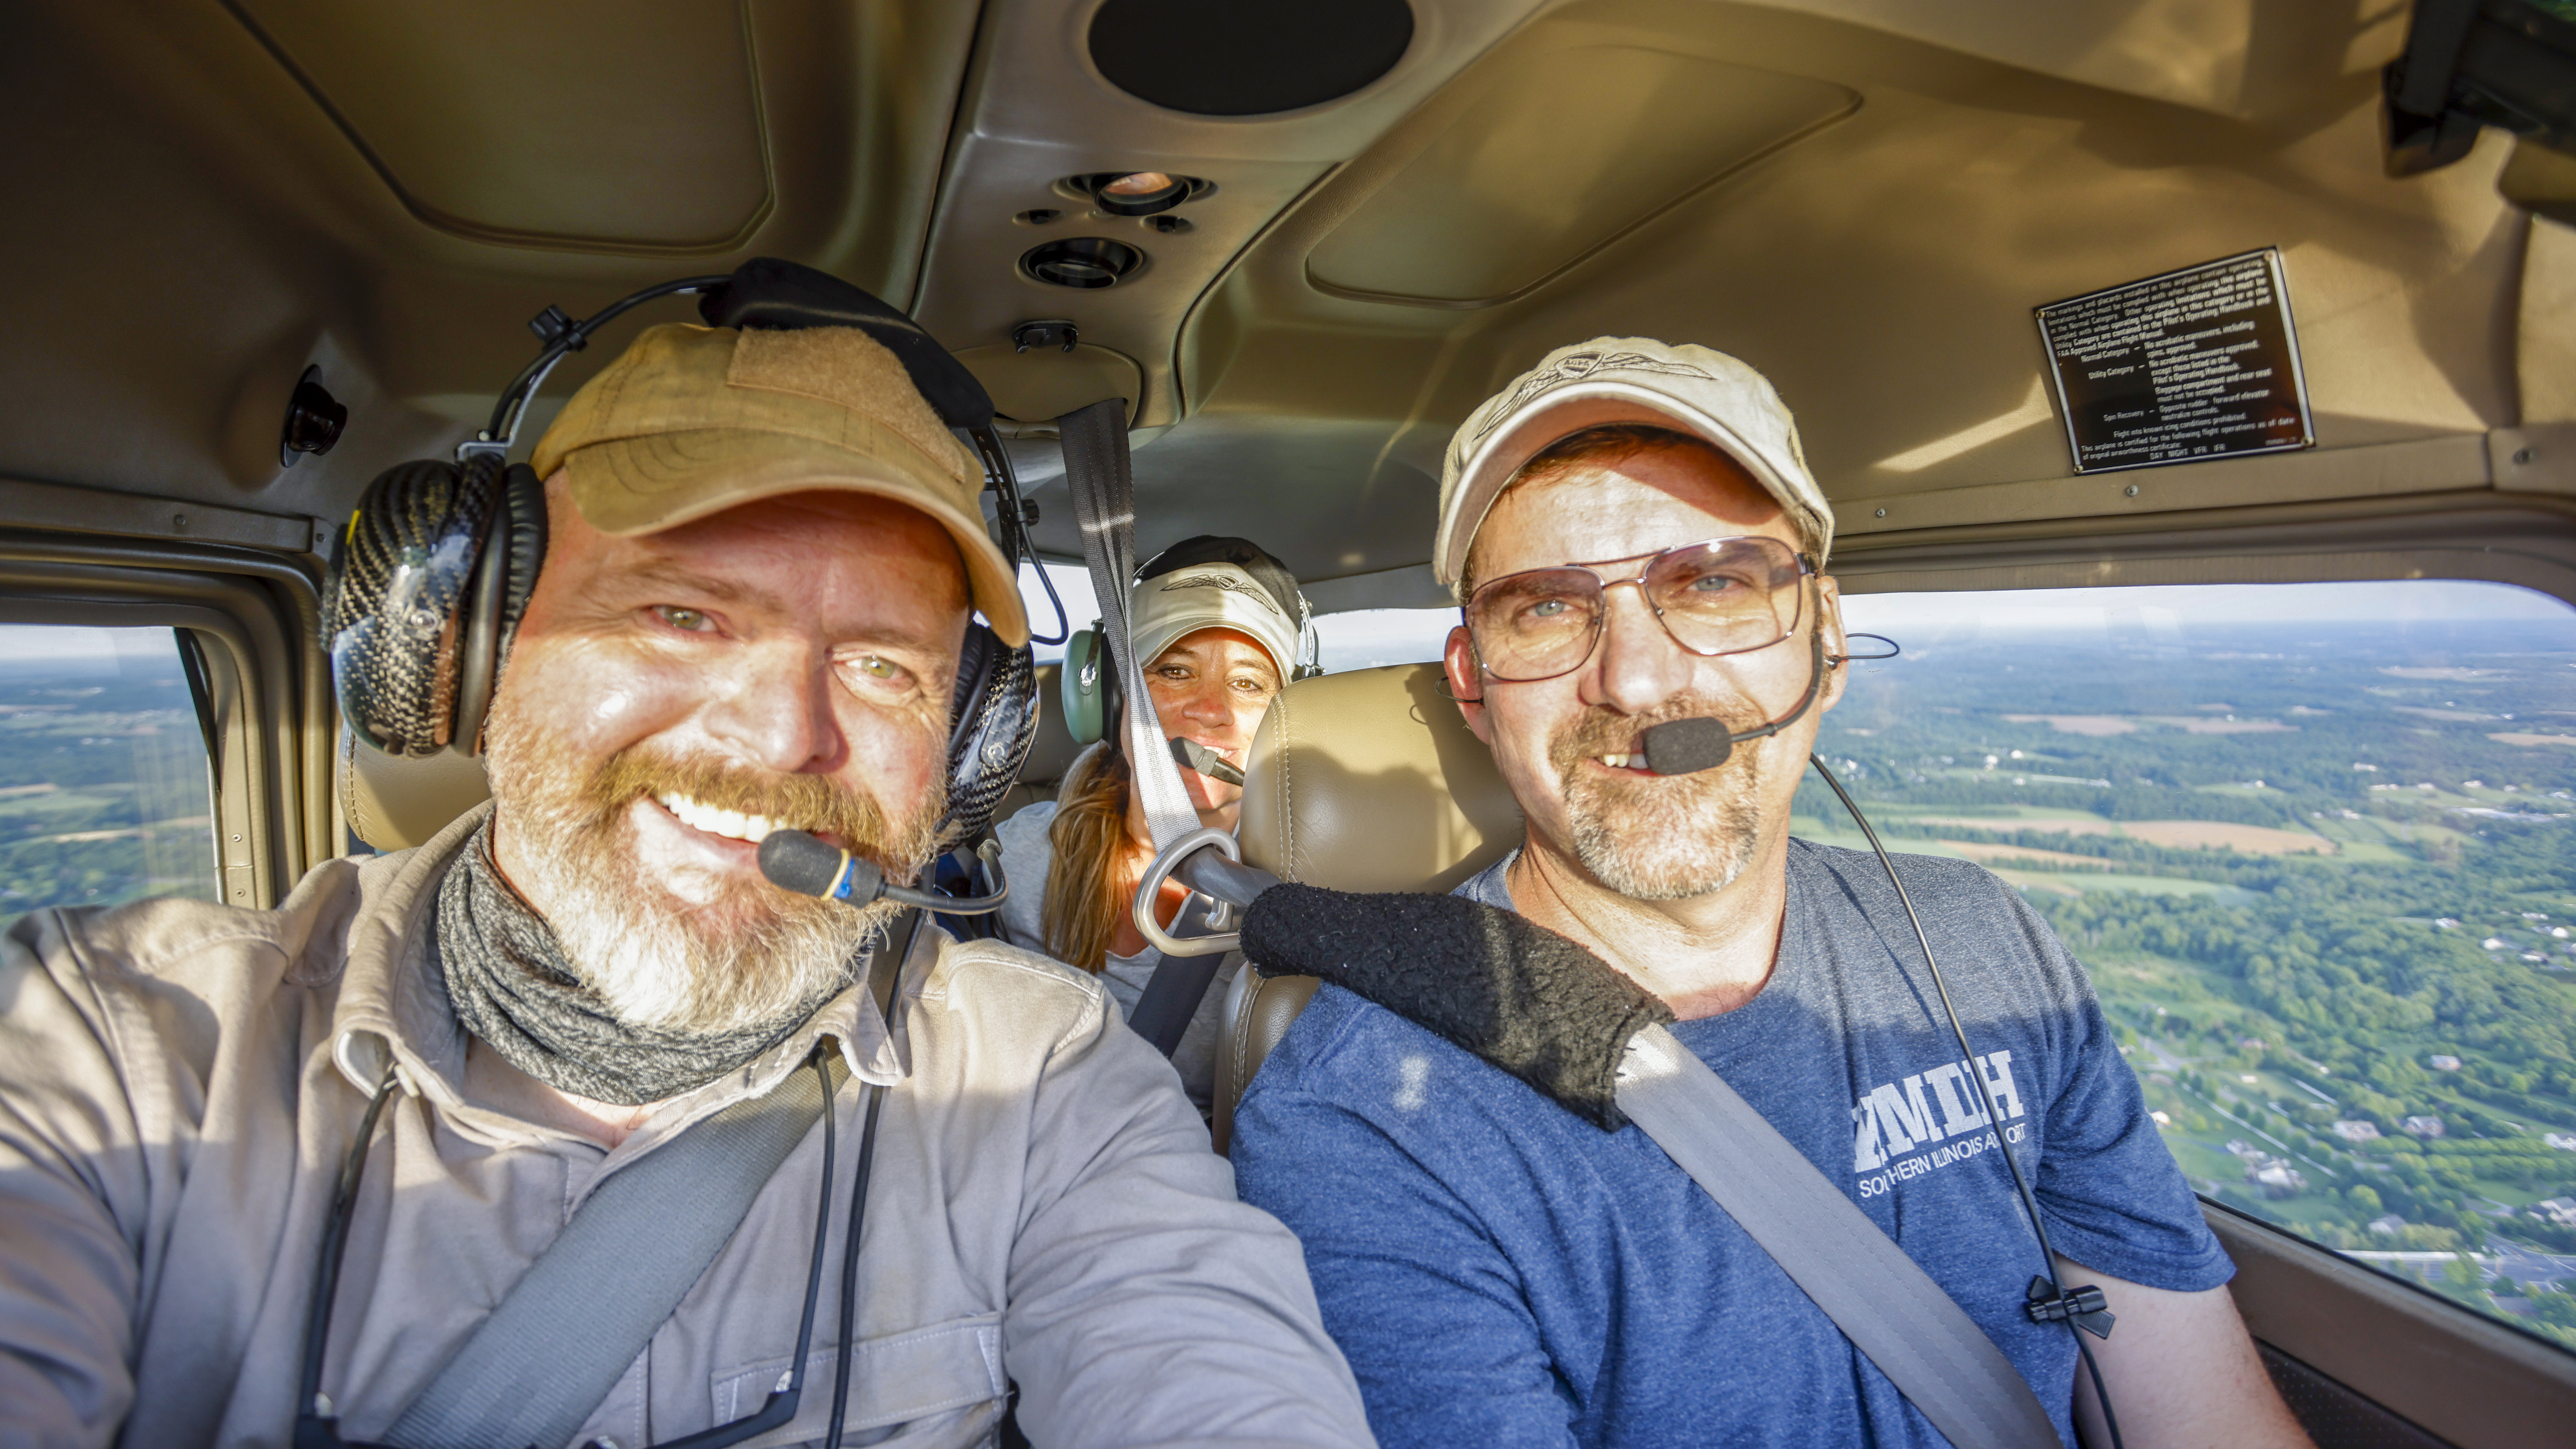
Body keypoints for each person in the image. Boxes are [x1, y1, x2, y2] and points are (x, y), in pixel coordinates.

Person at [0, 313, 1374, 1446]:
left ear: (961, 749)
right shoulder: (119, 1049)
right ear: (470, 651)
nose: (781, 736)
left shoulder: (1045, 1085)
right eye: (680, 614)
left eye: (881, 664)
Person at [1227, 338, 2314, 1448]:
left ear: (1825, 640)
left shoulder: (1986, 945)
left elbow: (2203, 1415)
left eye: (1712, 582)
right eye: (1546, 608)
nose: (1637, 679)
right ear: (1474, 687)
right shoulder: (1370, 1115)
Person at [993, 537, 1310, 1107]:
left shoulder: (1303, 905)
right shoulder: (1017, 857)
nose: (1211, 710)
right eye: (1175, 671)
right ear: (1113, 697)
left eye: (1247, 683)